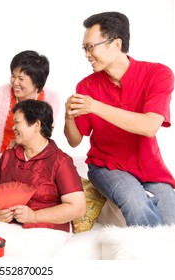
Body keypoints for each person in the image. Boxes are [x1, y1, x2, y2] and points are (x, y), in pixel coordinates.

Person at [64, 11, 175, 227]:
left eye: (90, 47)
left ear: (116, 44)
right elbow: (75, 140)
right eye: (84, 48)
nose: (87, 54)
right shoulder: (86, 86)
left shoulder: (158, 74)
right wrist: (69, 117)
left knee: (171, 212)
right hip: (107, 166)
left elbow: (149, 126)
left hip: (149, 165)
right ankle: (147, 258)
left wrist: (94, 106)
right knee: (136, 203)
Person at [0, 99, 86, 259]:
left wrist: (34, 217)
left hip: (49, 226)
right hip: (11, 224)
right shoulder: (9, 155)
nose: (13, 128)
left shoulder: (60, 161)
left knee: (27, 257)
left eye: (17, 122)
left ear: (37, 125)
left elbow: (78, 207)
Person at [0, 50, 59, 161]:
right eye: (13, 76)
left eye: (21, 78)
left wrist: (19, 144)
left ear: (37, 82)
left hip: (31, 160)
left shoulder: (48, 101)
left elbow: (44, 138)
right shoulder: (0, 97)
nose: (15, 82)